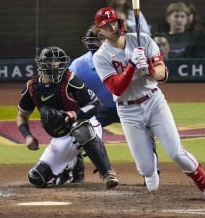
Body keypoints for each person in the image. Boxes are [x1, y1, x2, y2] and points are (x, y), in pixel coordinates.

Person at [92, 6, 205, 202]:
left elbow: (163, 72)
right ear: (99, 31)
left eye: (114, 22)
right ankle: (150, 164)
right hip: (128, 110)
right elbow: (116, 88)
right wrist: (132, 66)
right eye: (106, 26)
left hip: (154, 101)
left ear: (121, 23)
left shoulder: (142, 39)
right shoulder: (100, 56)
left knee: (175, 152)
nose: (112, 27)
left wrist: (151, 69)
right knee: (145, 169)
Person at [16, 46, 119, 189]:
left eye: (58, 61)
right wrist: (27, 136)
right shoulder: (32, 87)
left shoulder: (70, 80)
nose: (55, 65)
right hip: (61, 135)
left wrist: (76, 114)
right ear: (41, 63)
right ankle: (67, 170)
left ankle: (107, 172)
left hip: (86, 124)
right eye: (51, 61)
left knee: (81, 129)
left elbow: (95, 105)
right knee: (37, 177)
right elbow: (22, 115)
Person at [68, 25, 160, 184]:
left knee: (145, 132)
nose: (96, 44)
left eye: (99, 39)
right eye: (93, 40)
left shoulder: (131, 57)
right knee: (78, 128)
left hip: (130, 104)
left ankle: (150, 173)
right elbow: (68, 93)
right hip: (100, 108)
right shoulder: (78, 66)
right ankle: (79, 171)